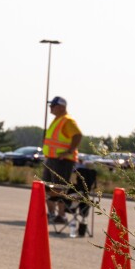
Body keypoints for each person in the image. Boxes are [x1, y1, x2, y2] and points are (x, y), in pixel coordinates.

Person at [42, 95, 91, 235]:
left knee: (59, 187)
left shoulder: (67, 120)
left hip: (62, 160)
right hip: (52, 159)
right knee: (47, 186)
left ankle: (61, 215)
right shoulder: (57, 120)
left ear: (61, 107)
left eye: (53, 105)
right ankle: (51, 213)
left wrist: (68, 151)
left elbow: (78, 135)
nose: (50, 108)